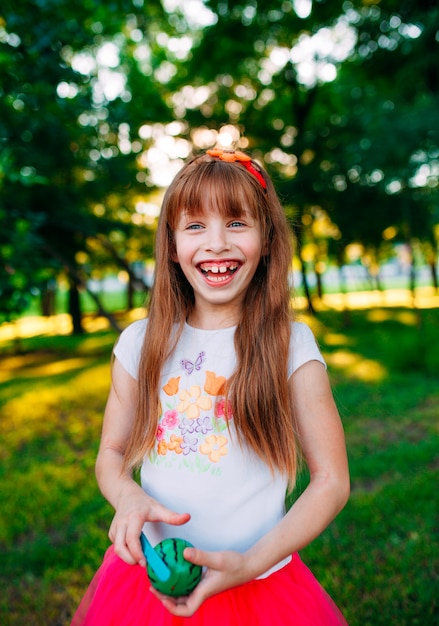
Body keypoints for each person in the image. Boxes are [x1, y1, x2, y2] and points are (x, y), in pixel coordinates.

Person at [71, 147, 350, 625]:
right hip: (152, 576)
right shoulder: (140, 344)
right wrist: (128, 497)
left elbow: (332, 481)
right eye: (196, 225)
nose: (217, 243)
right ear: (172, 244)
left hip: (260, 583)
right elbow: (111, 454)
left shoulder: (290, 346)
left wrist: (252, 562)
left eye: (237, 223)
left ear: (266, 239)